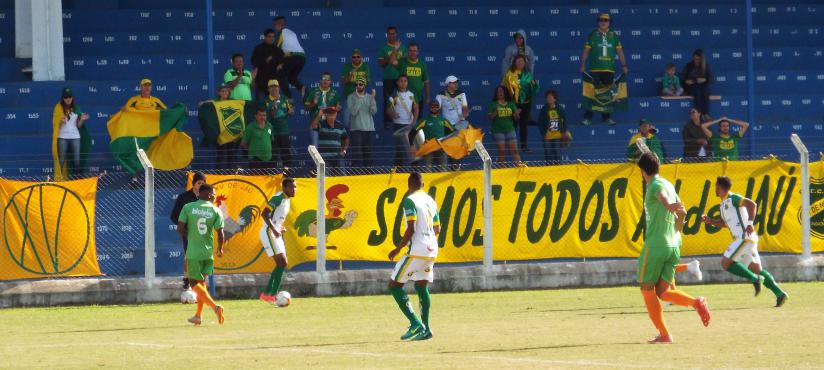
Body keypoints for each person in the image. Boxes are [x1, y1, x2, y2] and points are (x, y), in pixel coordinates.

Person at [636, 152, 710, 344]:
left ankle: (665, 334)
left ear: (643, 171)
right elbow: (682, 214)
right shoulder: (669, 184)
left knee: (646, 289)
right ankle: (696, 302)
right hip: (673, 244)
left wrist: (667, 205)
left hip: (656, 244)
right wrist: (675, 225)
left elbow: (662, 197)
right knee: (663, 292)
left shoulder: (655, 185)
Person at [701, 176, 788, 307]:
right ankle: (780, 294)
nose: (716, 189)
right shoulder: (723, 204)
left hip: (744, 238)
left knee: (725, 263)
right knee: (757, 269)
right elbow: (725, 224)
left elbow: (752, 204)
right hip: (746, 240)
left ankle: (755, 279)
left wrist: (750, 223)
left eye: (716, 186)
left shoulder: (733, 198)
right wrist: (710, 221)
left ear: (719, 187)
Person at [387, 172, 440, 341]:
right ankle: (427, 329)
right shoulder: (431, 201)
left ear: (409, 186)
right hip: (432, 247)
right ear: (423, 185)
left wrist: (397, 249)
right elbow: (437, 229)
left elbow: (411, 228)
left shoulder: (410, 200)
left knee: (394, 284)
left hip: (417, 249)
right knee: (421, 285)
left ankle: (416, 323)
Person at [176, 183, 225, 326]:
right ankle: (198, 316)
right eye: (214, 193)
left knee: (193, 283)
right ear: (208, 194)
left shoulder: (188, 207)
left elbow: (180, 229)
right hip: (208, 252)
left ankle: (216, 307)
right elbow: (220, 233)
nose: (215, 195)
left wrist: (190, 237)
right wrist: (220, 248)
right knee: (202, 284)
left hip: (194, 252)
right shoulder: (216, 211)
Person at [579, 13, 627, 126]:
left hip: (609, 69)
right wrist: (582, 64)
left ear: (609, 22)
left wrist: (624, 65)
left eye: (606, 20)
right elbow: (586, 51)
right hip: (595, 69)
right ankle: (588, 118)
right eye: (601, 20)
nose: (603, 22)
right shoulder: (592, 34)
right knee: (592, 93)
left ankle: (606, 118)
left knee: (607, 94)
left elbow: (620, 52)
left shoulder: (614, 35)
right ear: (598, 22)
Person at [259, 177, 297, 303]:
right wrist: (274, 229)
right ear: (284, 188)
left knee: (282, 263)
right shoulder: (278, 198)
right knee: (282, 262)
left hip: (275, 232)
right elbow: (264, 213)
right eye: (291, 187)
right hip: (268, 232)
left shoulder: (287, 200)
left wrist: (279, 228)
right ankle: (271, 294)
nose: (294, 189)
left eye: (295, 187)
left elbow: (276, 218)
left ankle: (267, 294)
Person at [170, 171, 207, 291]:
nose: (201, 185)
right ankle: (186, 280)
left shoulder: (206, 198)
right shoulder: (184, 197)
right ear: (193, 184)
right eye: (198, 183)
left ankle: (199, 281)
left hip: (202, 233)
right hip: (188, 233)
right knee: (189, 256)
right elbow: (174, 216)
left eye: (203, 183)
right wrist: (184, 227)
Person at [502, 55, 538, 152]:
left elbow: (533, 90)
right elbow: (504, 89)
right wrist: (511, 105)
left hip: (526, 103)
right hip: (514, 104)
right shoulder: (509, 74)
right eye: (518, 61)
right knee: (512, 125)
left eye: (522, 61)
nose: (520, 63)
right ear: (514, 62)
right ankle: (510, 146)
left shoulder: (528, 74)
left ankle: (523, 145)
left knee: (523, 125)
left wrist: (535, 85)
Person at [52, 87, 90, 178]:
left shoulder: (77, 108)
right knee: (61, 160)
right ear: (62, 98)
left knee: (76, 161)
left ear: (72, 97)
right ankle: (59, 182)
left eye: (69, 97)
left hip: (75, 137)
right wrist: (60, 121)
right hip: (62, 137)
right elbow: (54, 123)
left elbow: (79, 126)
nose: (68, 99)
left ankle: (76, 183)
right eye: (65, 97)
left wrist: (82, 119)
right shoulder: (58, 107)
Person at [378, 26, 407, 129]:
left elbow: (405, 61)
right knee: (389, 99)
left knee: (403, 99)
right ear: (387, 35)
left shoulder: (403, 48)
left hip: (401, 77)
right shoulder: (383, 48)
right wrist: (394, 51)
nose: (392, 35)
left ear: (396, 34)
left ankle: (404, 118)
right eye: (389, 34)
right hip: (389, 77)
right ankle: (388, 121)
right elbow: (381, 63)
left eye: (393, 33)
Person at [387, 75, 419, 166]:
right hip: (398, 125)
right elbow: (388, 109)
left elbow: (416, 108)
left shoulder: (412, 94)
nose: (403, 83)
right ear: (397, 83)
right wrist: (392, 114)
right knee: (400, 150)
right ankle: (398, 173)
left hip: (410, 125)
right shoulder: (394, 95)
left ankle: (415, 172)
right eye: (401, 81)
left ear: (407, 83)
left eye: (405, 81)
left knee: (412, 149)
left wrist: (414, 122)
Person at [346, 78, 378, 167]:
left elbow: (373, 111)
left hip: (369, 130)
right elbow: (353, 112)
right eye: (356, 84)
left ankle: (368, 176)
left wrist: (372, 99)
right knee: (357, 154)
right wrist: (359, 99)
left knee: (369, 154)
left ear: (364, 86)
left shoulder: (369, 97)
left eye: (360, 84)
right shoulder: (351, 97)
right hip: (356, 130)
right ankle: (356, 176)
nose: (358, 86)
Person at [414, 101, 455, 169]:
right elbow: (413, 132)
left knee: (443, 170)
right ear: (429, 108)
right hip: (429, 149)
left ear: (439, 108)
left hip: (441, 149)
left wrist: (447, 143)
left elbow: (452, 132)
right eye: (432, 106)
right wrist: (414, 146)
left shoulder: (443, 120)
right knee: (428, 170)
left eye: (436, 106)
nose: (434, 108)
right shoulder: (425, 120)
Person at [304, 72, 341, 147]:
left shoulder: (334, 93)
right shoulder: (313, 92)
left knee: (328, 149)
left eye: (328, 79)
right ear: (320, 80)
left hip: (329, 126)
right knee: (315, 150)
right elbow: (306, 107)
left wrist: (338, 108)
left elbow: (338, 107)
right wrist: (314, 103)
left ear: (331, 82)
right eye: (324, 79)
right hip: (315, 125)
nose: (325, 81)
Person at [264, 80, 295, 169]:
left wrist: (291, 111)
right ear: (268, 89)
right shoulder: (266, 101)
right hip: (271, 133)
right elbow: (266, 117)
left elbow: (291, 111)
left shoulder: (285, 99)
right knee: (272, 156)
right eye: (272, 87)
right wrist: (273, 109)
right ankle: (270, 177)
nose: (274, 89)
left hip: (284, 131)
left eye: (276, 86)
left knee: (286, 156)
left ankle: (287, 177)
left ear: (279, 88)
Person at [273, 16, 306, 99]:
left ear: (280, 24)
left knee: (280, 74)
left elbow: (275, 49)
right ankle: (302, 88)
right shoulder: (292, 33)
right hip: (302, 57)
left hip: (292, 56)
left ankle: (288, 98)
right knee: (291, 78)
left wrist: (278, 63)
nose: (274, 27)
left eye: (275, 25)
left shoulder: (281, 33)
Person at [487, 85, 521, 163]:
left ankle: (519, 168)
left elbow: (516, 118)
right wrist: (496, 111)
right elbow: (490, 117)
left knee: (514, 151)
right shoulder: (494, 104)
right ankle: (502, 170)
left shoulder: (511, 104)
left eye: (501, 91)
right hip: (498, 131)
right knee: (501, 152)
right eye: (498, 91)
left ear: (505, 92)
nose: (500, 93)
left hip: (510, 129)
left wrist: (516, 115)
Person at [537, 90, 570, 163]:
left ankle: (557, 168)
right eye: (547, 98)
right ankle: (548, 168)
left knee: (557, 152)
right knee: (548, 153)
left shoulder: (560, 109)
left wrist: (564, 132)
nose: (549, 99)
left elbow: (564, 121)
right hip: (547, 136)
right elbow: (540, 123)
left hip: (558, 135)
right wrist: (543, 133)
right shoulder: (544, 109)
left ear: (555, 99)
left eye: (551, 98)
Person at [251, 28, 284, 101]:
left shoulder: (278, 50)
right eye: (269, 36)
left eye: (273, 36)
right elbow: (253, 62)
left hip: (273, 84)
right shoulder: (258, 48)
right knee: (261, 107)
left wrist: (281, 65)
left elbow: (283, 62)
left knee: (274, 107)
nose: (271, 38)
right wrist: (265, 61)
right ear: (265, 37)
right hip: (261, 83)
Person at [682, 49, 713, 118]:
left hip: (702, 85)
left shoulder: (706, 66)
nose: (696, 61)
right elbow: (682, 77)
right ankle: (700, 113)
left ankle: (706, 113)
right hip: (691, 86)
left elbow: (711, 78)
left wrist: (704, 79)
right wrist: (686, 81)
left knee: (705, 91)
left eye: (698, 59)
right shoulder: (689, 65)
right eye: (695, 59)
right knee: (697, 91)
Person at [397, 43, 429, 109]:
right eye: (410, 51)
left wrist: (427, 97)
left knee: (418, 119)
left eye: (414, 51)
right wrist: (395, 50)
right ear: (408, 52)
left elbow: (426, 82)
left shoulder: (422, 64)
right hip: (404, 98)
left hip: (418, 97)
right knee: (405, 118)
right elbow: (392, 61)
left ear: (418, 52)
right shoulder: (402, 62)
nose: (412, 53)